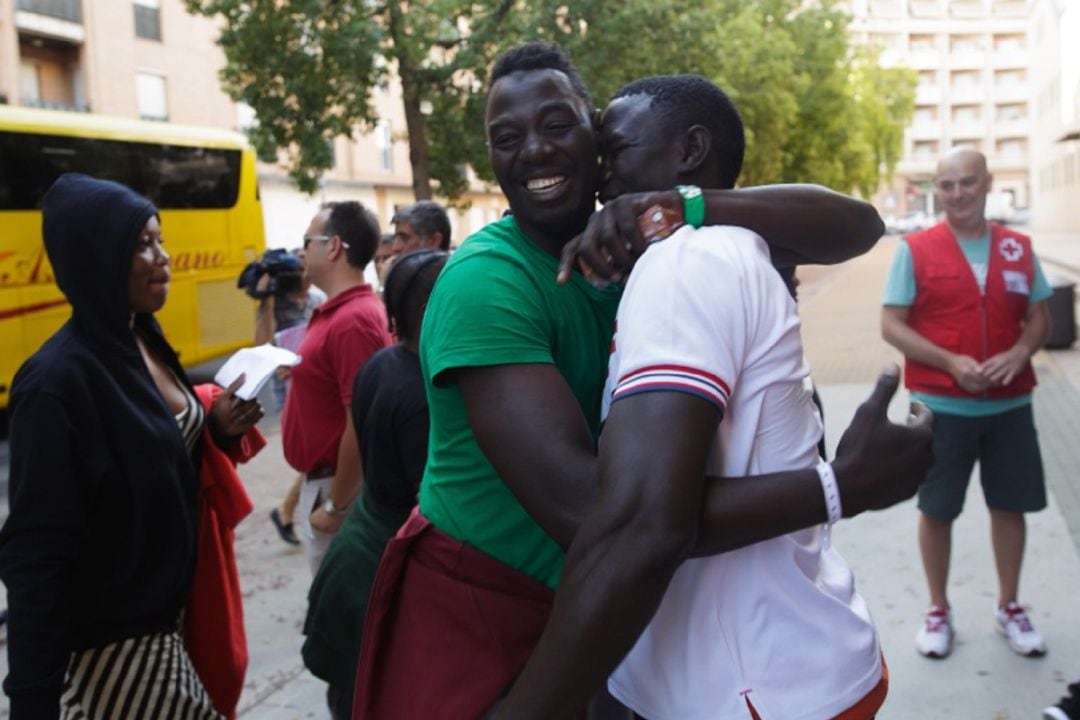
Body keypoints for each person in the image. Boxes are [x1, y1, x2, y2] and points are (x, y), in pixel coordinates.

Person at [353, 42, 932, 720]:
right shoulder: (488, 282)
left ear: (596, 137)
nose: (534, 150)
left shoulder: (649, 246)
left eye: (557, 125)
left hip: (609, 603)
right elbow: (596, 518)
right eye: (506, 138)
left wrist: (683, 206)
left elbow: (858, 225)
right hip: (486, 600)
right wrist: (837, 487)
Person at [0, 173, 263, 718]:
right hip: (119, 650)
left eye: (160, 238)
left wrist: (216, 429)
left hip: (177, 615)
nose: (163, 256)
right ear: (96, 257)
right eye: (142, 244)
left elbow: (155, 450)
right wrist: (32, 700)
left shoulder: (142, 336)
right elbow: (36, 555)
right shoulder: (55, 384)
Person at [881, 147, 1052, 660]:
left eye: (967, 183)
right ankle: (938, 609)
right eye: (946, 185)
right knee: (937, 510)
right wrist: (950, 362)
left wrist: (1021, 351)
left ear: (987, 183)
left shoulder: (1019, 248)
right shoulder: (915, 249)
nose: (956, 194)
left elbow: (1040, 316)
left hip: (1009, 407)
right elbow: (891, 324)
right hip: (938, 407)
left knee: (1010, 506)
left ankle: (1009, 606)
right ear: (938, 189)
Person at [302, 248, 449, 720]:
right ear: (432, 311)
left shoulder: (381, 365)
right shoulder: (423, 395)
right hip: (383, 571)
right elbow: (427, 508)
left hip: (357, 553)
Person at [280, 201, 392, 575]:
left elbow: (361, 421)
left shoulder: (353, 319)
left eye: (308, 240)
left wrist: (336, 507)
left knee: (343, 620)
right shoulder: (342, 311)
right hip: (327, 486)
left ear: (334, 247)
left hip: (337, 489)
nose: (301, 250)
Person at [256, 247, 327, 547]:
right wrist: (266, 302)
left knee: (318, 454)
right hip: (287, 387)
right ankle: (290, 511)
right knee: (312, 454)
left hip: (315, 382)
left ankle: (288, 511)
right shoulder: (277, 302)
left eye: (303, 264)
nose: (301, 273)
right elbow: (260, 345)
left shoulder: (319, 300)